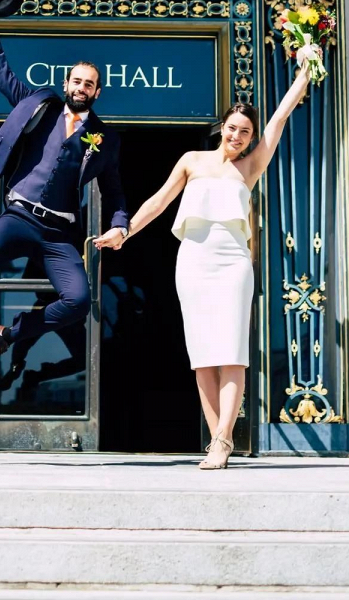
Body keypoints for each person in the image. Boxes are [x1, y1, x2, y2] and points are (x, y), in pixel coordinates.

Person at [95, 65, 311, 469]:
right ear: (222, 127)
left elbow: (280, 116)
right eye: (233, 128)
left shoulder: (250, 167)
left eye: (245, 131)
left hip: (232, 264)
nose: (237, 136)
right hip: (193, 263)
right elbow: (158, 203)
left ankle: (225, 440)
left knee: (231, 352)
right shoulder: (192, 160)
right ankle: (216, 439)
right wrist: (122, 232)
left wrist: (302, 72)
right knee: (203, 355)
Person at [0, 11, 128, 373]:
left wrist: (120, 225)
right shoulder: (40, 108)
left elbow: (115, 192)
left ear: (97, 91)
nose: (81, 88)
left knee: (77, 301)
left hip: (59, 232)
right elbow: (3, 77)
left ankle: (6, 335)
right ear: (67, 83)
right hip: (20, 216)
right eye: (76, 81)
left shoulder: (105, 139)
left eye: (89, 84)